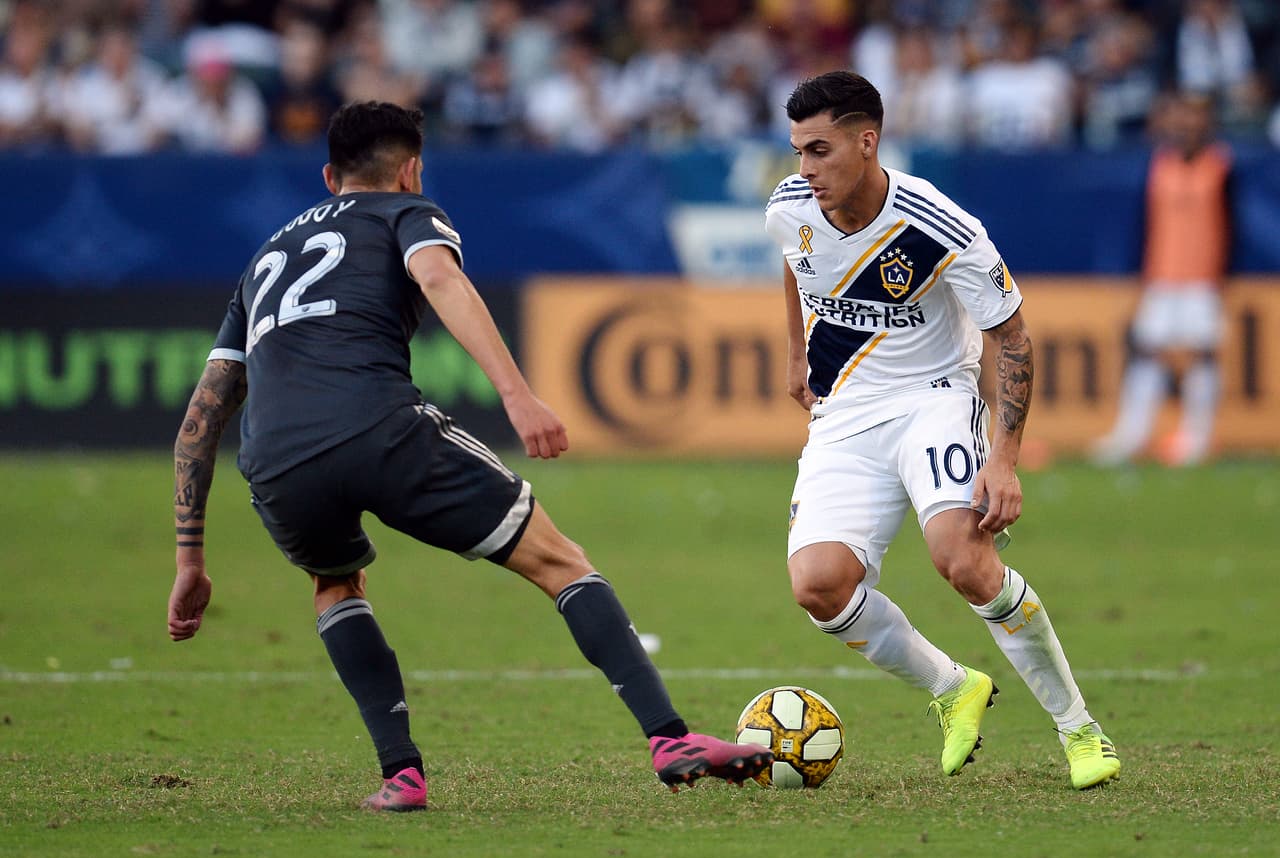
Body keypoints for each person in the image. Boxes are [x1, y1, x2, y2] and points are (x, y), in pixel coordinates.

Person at [166, 100, 771, 811]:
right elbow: (442, 279)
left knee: (335, 585)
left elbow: (201, 418)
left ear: (330, 176)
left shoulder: (261, 262)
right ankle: (669, 739)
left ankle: (402, 773)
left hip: (273, 459)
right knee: (560, 560)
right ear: (412, 168)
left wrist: (189, 560)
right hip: (377, 425)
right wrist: (518, 396)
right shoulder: (407, 212)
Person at [767, 71, 1120, 790]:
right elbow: (793, 262)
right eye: (799, 150)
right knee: (818, 585)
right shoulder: (790, 204)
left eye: (819, 150)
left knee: (962, 560)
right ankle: (953, 685)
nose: (805, 168)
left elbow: (1014, 339)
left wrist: (1005, 460)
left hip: (933, 396)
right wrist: (795, 351)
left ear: (867, 142)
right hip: (845, 412)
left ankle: (1080, 728)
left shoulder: (938, 224)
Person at [1092, 91, 1232, 467]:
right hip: (1161, 275)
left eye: (1194, 117)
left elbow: (1233, 226)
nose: (1186, 125)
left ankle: (1197, 439)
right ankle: (1131, 435)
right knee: (1146, 352)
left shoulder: (1222, 167)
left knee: (1201, 355)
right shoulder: (1157, 166)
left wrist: (1226, 278)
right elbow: (1141, 224)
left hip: (1203, 278)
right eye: (1180, 117)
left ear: (1207, 123)